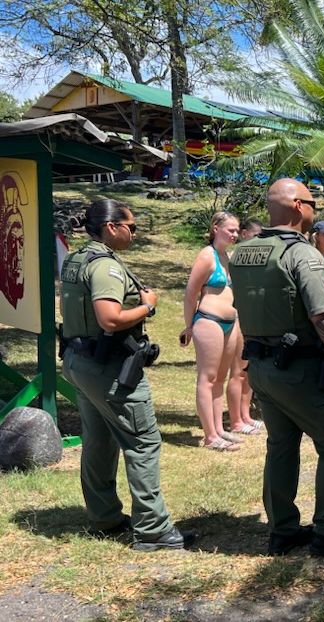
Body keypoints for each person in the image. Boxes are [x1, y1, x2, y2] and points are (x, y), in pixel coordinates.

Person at [230, 179, 324, 557]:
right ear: (298, 206)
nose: (315, 208)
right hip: (304, 369)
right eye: (313, 202)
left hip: (262, 367)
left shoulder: (243, 252)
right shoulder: (304, 255)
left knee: (281, 445)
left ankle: (283, 530)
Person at [60, 199, 195, 551]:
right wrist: (148, 305)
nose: (134, 233)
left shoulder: (77, 259)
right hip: (108, 369)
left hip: (79, 361)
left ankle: (104, 516)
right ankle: (152, 528)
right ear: (111, 227)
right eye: (131, 227)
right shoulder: (105, 267)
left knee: (99, 441)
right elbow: (109, 318)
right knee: (143, 441)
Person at [181, 212, 247, 451]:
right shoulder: (207, 256)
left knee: (221, 378)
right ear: (216, 228)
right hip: (209, 321)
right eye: (230, 230)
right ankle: (210, 436)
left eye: (237, 231)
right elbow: (190, 294)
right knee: (207, 378)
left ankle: (219, 429)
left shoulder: (225, 257)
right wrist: (189, 327)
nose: (234, 234)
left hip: (230, 322)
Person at [227, 218, 265, 434]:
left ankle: (245, 415)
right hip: (237, 317)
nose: (258, 240)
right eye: (255, 235)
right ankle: (236, 420)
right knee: (238, 370)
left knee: (248, 370)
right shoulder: (232, 259)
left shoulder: (255, 260)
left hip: (253, 318)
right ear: (244, 234)